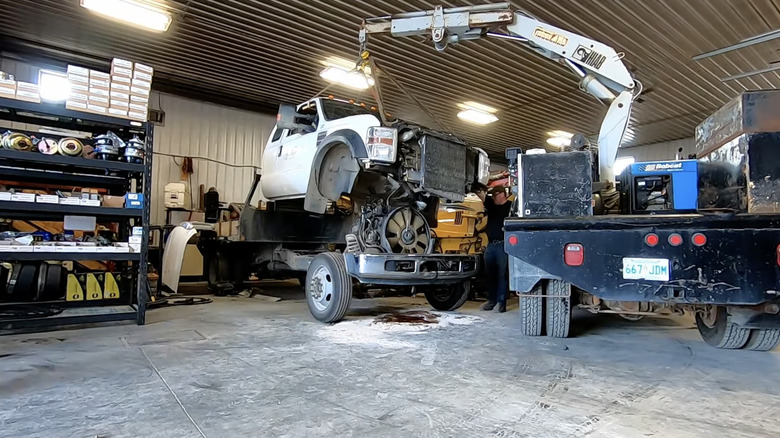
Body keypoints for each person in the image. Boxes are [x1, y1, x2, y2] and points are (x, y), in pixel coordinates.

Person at [475, 184, 512, 313]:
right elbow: (483, 197)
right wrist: (477, 187)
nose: (493, 198)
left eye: (495, 195)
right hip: (491, 245)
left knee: (502, 275)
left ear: (502, 194)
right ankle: (491, 301)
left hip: (503, 245)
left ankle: (501, 303)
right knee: (489, 274)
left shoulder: (511, 207)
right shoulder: (491, 206)